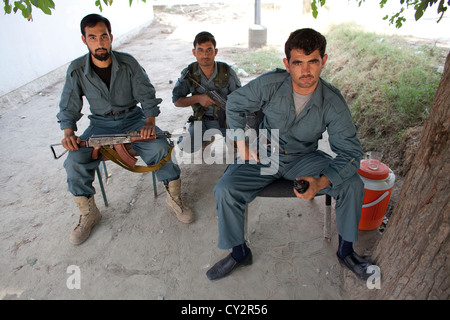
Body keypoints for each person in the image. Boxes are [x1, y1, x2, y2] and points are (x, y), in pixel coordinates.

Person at [207, 28, 372, 281]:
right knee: (224, 189)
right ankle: (239, 253)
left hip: (304, 157)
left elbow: (350, 153)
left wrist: (321, 181)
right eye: (298, 63)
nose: (306, 71)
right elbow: (235, 103)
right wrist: (241, 145)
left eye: (313, 62)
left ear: (323, 61)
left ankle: (346, 251)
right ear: (287, 64)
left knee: (352, 183)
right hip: (264, 152)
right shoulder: (272, 83)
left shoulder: (332, 101)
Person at [57, 14, 194, 245]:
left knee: (162, 146)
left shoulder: (129, 63)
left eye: (103, 36)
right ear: (84, 40)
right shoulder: (77, 69)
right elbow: (69, 104)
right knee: (74, 160)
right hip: (99, 125)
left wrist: (149, 122)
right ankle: (89, 212)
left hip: (134, 119)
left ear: (111, 37)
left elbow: (147, 95)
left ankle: (174, 198)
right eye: (93, 38)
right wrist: (68, 133)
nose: (99, 43)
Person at [172, 31, 241, 153]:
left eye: (209, 50)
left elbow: (241, 99)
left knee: (240, 144)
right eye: (200, 50)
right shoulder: (189, 72)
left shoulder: (227, 71)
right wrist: (198, 98)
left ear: (216, 52)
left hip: (226, 120)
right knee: (186, 147)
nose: (205, 55)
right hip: (202, 120)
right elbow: (177, 101)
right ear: (194, 52)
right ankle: (198, 136)